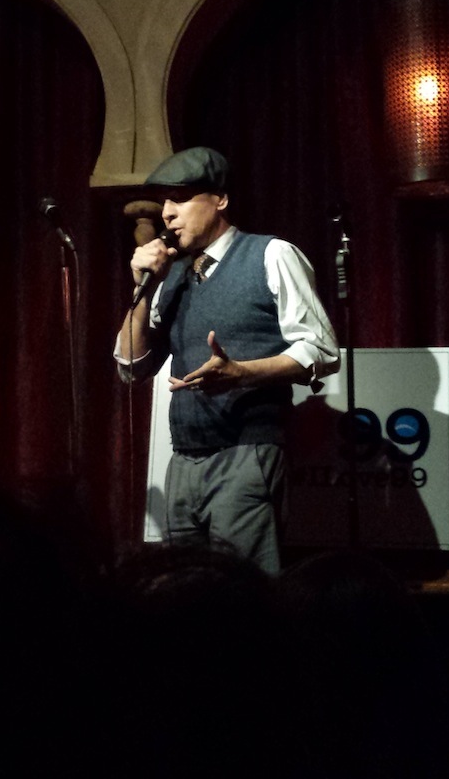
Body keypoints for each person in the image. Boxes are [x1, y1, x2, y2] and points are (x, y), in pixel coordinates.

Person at [114, 146, 339, 575]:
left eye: (180, 199)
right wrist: (141, 287)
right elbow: (130, 365)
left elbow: (321, 350)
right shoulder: (172, 276)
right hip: (183, 461)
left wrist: (241, 374)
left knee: (245, 598)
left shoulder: (271, 254)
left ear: (220, 199)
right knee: (187, 597)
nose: (167, 213)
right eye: (164, 202)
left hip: (245, 453)